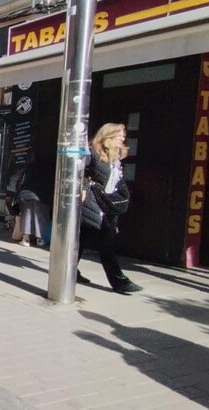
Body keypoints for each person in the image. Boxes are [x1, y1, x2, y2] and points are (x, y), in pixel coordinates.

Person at [77, 123, 142, 294]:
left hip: (107, 204)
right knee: (106, 243)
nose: (123, 138)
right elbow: (79, 171)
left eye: (123, 136)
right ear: (108, 136)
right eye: (119, 136)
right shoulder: (92, 152)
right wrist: (83, 187)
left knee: (80, 240)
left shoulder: (115, 156)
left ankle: (70, 271)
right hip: (93, 204)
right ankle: (119, 282)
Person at [15, 161, 53, 247]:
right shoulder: (48, 171)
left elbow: (19, 182)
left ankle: (26, 239)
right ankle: (40, 239)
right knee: (41, 217)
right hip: (41, 196)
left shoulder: (28, 169)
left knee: (26, 217)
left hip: (25, 194)